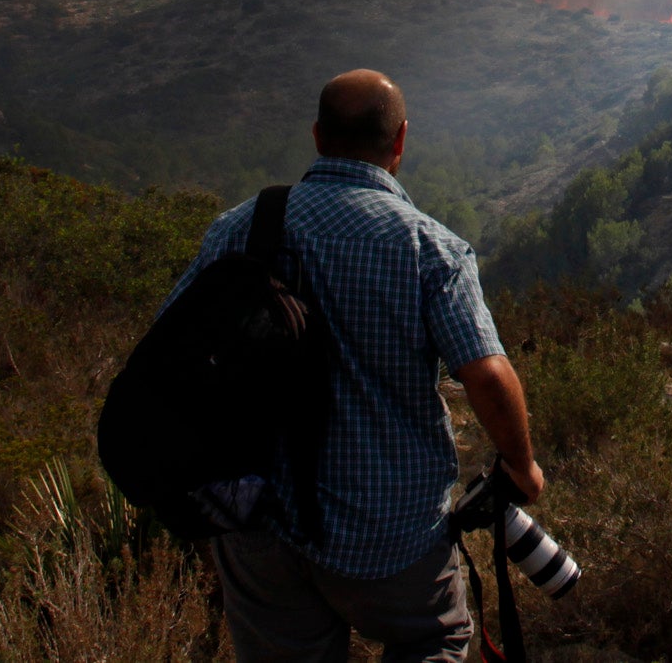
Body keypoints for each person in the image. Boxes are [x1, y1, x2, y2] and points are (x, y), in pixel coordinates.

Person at [173, 69, 543, 663]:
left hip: (258, 522)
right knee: (436, 638)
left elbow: (176, 346)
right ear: (399, 142)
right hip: (389, 538)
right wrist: (522, 466)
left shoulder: (241, 227)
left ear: (318, 137)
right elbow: (486, 373)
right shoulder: (430, 248)